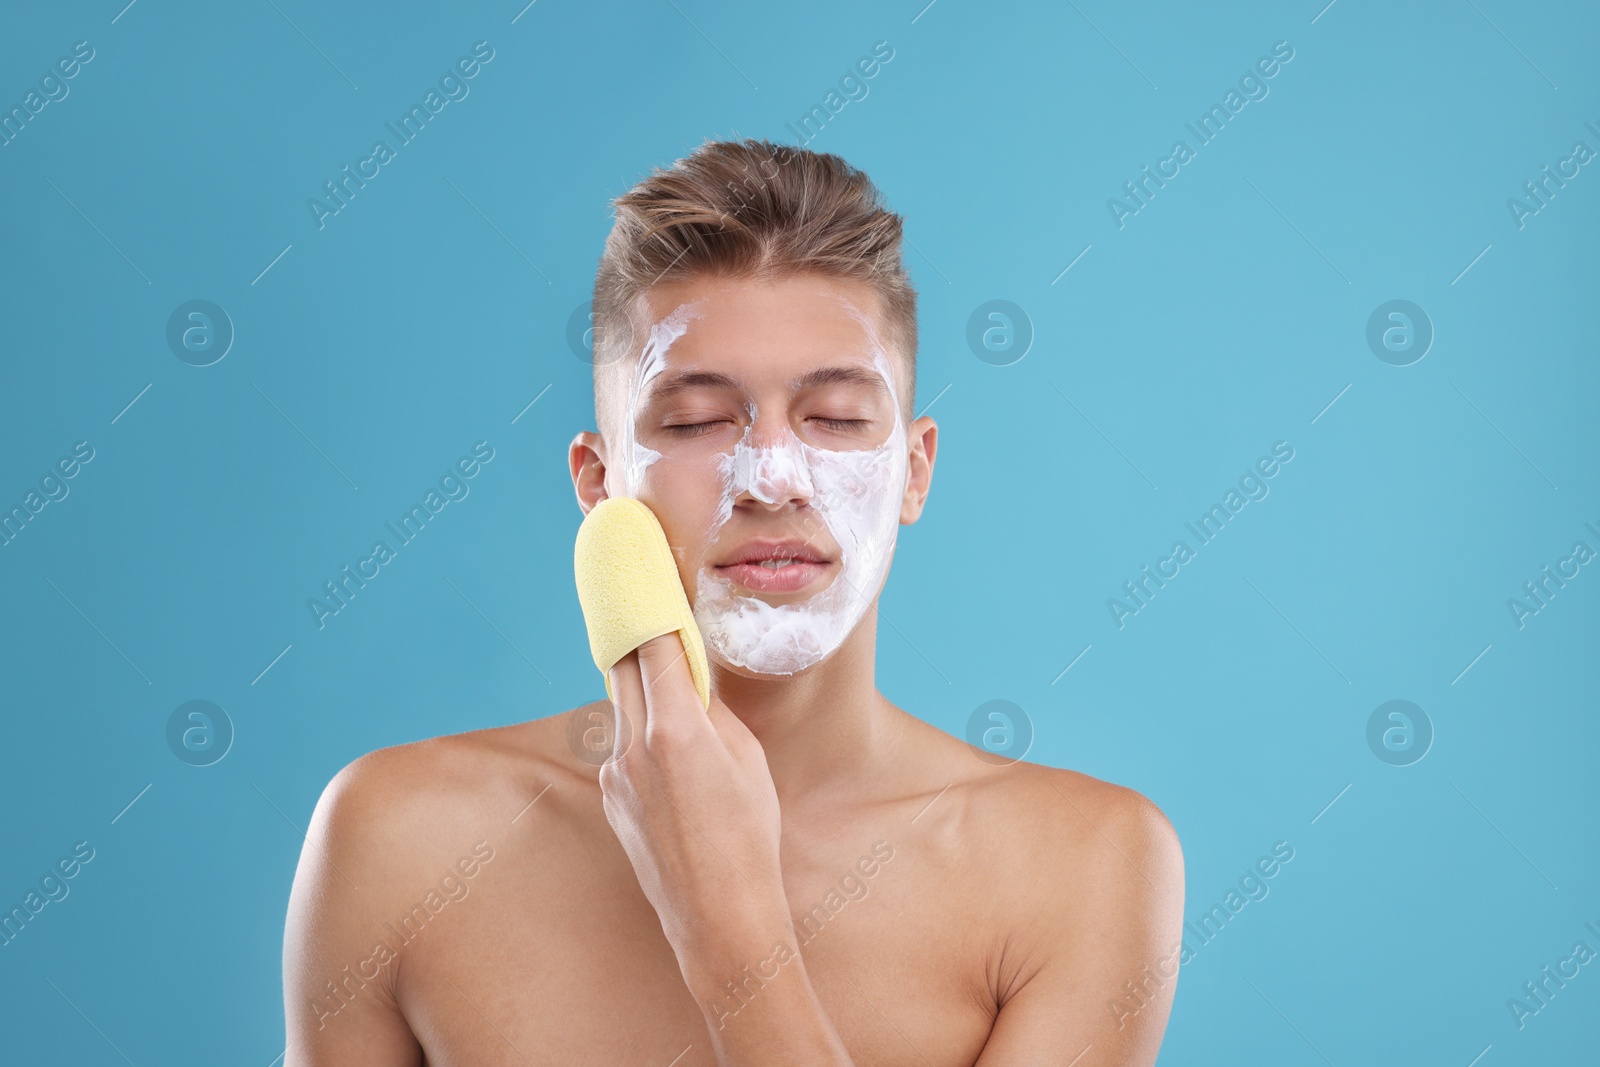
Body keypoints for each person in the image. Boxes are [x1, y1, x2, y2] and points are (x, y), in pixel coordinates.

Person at [282, 138, 1184, 1066]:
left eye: (834, 416)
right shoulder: (399, 839)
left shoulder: (1083, 866)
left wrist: (731, 928)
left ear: (915, 473)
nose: (772, 476)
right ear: (599, 483)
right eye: (696, 421)